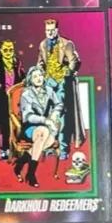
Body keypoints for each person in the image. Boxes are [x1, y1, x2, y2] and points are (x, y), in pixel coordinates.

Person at [38, 19, 86, 161]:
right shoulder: (43, 44)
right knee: (47, 115)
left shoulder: (66, 43)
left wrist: (67, 74)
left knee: (61, 116)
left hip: (61, 84)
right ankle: (49, 146)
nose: (50, 32)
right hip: (48, 83)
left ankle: (63, 148)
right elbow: (40, 63)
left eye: (52, 30)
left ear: (57, 30)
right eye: (47, 30)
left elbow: (75, 61)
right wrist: (41, 75)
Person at [12, 65, 62, 187]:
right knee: (43, 132)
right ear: (30, 79)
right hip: (30, 128)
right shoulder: (26, 94)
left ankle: (21, 163)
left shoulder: (48, 90)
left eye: (40, 75)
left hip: (46, 127)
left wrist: (55, 113)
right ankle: (31, 174)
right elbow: (28, 116)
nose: (38, 78)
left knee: (49, 137)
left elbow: (59, 104)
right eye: (35, 76)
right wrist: (45, 120)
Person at [0, 40, 24, 160]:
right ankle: (4, 148)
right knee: (2, 124)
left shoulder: (17, 62)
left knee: (15, 122)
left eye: (10, 50)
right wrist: (0, 87)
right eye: (5, 50)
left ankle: (15, 146)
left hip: (14, 98)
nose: (8, 52)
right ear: (0, 50)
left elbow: (22, 76)